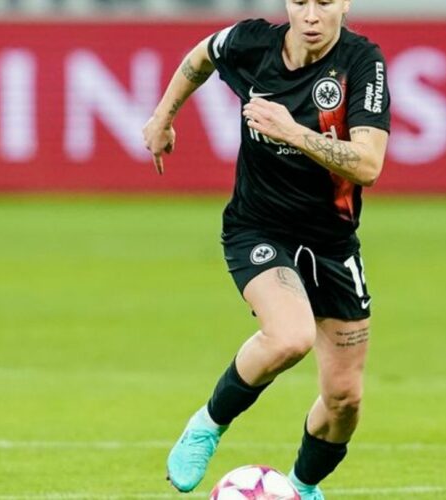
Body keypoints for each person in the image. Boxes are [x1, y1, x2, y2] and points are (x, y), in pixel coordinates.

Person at [141, 1, 391, 498]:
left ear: (344, 3)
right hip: (259, 230)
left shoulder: (362, 63)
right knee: (289, 337)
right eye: (301, 2)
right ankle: (208, 424)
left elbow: (368, 165)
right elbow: (201, 56)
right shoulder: (253, 43)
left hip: (332, 243)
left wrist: (292, 131)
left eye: (324, 2)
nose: (312, 15)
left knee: (344, 399)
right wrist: (162, 118)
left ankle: (300, 488)